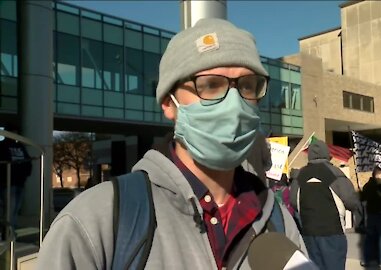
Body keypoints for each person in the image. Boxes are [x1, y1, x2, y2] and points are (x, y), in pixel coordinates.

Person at [36, 18, 306, 269]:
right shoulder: (96, 221)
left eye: (247, 85)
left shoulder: (278, 221)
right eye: (210, 85)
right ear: (169, 103)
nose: (234, 104)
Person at [295, 140, 360, 270]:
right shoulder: (335, 173)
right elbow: (351, 201)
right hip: (333, 231)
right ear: (327, 154)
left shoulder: (300, 175)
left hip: (308, 232)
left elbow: (293, 201)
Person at [0, 126, 32, 232]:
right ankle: (7, 231)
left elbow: (28, 161)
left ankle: (11, 230)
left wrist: (26, 174)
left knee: (15, 209)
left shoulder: (20, 146)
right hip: (8, 183)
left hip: (20, 183)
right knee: (9, 209)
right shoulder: (2, 146)